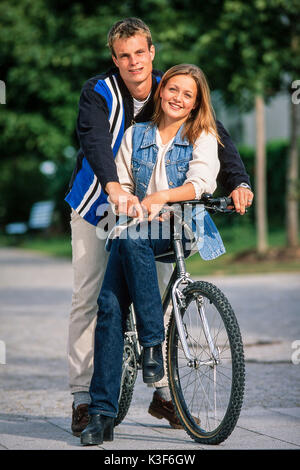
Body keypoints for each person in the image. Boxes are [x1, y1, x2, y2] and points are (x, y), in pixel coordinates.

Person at [65, 18, 253, 436]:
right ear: (115, 60)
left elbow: (214, 135)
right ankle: (85, 401)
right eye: (124, 55)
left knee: (161, 298)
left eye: (140, 53)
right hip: (100, 203)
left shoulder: (168, 87)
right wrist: (117, 188)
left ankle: (164, 392)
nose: (134, 62)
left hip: (154, 214)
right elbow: (94, 141)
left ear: (152, 53)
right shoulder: (100, 92)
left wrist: (238, 181)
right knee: (92, 299)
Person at [80, 63, 231, 446]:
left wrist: (163, 197)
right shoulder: (136, 134)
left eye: (188, 95)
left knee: (132, 243)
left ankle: (151, 344)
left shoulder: (203, 136)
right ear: (162, 92)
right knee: (110, 307)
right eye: (173, 90)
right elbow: (124, 184)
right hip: (135, 228)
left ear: (197, 104)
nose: (178, 98)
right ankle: (102, 415)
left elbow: (200, 182)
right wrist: (130, 202)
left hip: (177, 230)